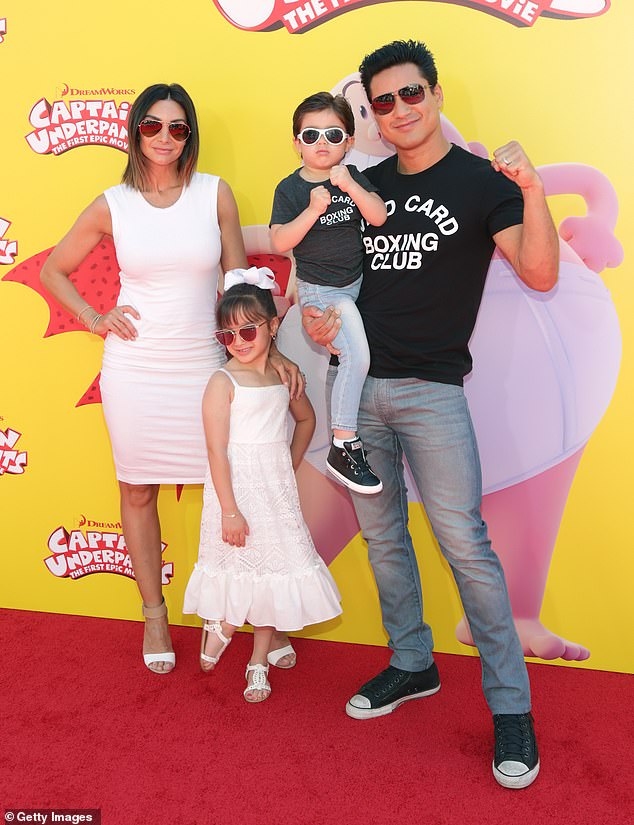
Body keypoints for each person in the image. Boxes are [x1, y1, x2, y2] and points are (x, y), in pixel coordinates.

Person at [302, 41, 559, 788]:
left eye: (410, 93)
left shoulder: (484, 184)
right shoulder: (360, 181)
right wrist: (320, 320)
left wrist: (533, 190)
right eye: (381, 102)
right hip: (355, 392)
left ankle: (512, 707)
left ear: (437, 94)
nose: (398, 110)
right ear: (372, 115)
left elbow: (540, 271)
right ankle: (412, 663)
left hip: (434, 391)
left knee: (465, 545)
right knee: (383, 542)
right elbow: (327, 278)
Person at [40, 83, 303, 675]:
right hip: (136, 369)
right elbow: (57, 269)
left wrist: (271, 352)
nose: (164, 138)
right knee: (137, 490)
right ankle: (154, 614)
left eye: (177, 127)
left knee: (239, 486)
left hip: (207, 368)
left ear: (190, 135)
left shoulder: (215, 195)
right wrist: (93, 317)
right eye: (153, 126)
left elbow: (240, 287)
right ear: (134, 131)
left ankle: (261, 609)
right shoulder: (112, 203)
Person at [182, 275, 341, 702]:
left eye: (249, 329)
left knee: (276, 572)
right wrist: (230, 511)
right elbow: (216, 451)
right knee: (239, 566)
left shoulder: (281, 376)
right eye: (228, 334)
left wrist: (286, 462)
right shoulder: (222, 382)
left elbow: (306, 420)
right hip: (234, 492)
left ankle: (258, 663)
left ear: (272, 327)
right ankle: (222, 623)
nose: (239, 340)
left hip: (276, 493)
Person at [270, 92, 387, 495]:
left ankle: (344, 441)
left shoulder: (351, 175)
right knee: (358, 356)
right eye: (311, 134)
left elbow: (378, 215)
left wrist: (350, 185)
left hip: (354, 289)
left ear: (348, 141)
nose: (322, 142)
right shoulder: (290, 188)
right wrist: (313, 209)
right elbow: (281, 239)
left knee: (352, 356)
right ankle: (343, 442)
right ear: (296, 142)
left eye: (333, 134)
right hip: (322, 292)